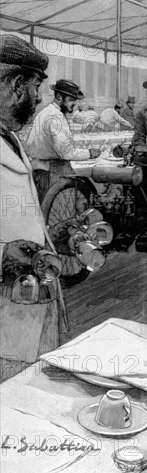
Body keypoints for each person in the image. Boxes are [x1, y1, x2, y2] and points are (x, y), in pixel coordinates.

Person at [0, 34, 67, 382]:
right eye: (35, 86)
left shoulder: (8, 136)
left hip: (25, 304)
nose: (38, 97)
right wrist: (3, 255)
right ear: (14, 84)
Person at [24, 79, 101, 202]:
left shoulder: (46, 112)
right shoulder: (56, 117)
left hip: (38, 170)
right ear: (59, 97)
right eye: (71, 100)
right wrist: (89, 153)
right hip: (49, 173)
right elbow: (66, 153)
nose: (73, 104)